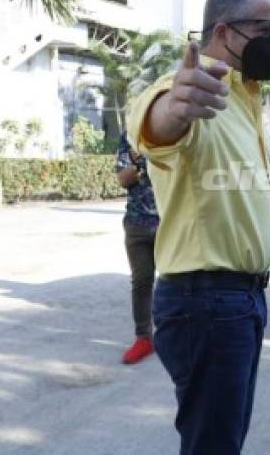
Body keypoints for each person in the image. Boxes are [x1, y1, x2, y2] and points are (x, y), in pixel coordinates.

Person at [126, 0, 270, 455]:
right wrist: (172, 108)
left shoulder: (245, 99)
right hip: (205, 301)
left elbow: (254, 198)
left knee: (223, 438)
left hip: (238, 301)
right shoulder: (187, 91)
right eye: (265, 31)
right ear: (223, 32)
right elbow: (156, 126)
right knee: (213, 445)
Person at [114, 131, 160, 365]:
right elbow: (123, 179)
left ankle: (176, 334)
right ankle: (144, 338)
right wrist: (141, 163)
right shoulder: (130, 138)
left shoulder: (177, 131)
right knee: (141, 282)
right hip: (137, 224)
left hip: (172, 224)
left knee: (179, 281)